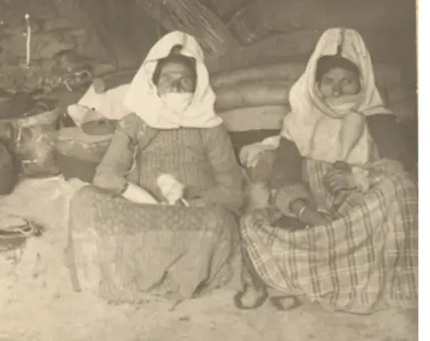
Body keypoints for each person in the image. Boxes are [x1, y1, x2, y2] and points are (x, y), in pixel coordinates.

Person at [235, 27, 418, 314]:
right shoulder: (298, 124)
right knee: (251, 224)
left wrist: (360, 177)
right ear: (315, 86)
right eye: (328, 82)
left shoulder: (379, 120)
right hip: (314, 218)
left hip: (362, 219)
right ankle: (327, 271)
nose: (336, 90)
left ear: (363, 83)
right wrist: (306, 212)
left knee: (404, 188)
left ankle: (330, 276)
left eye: (347, 81)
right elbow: (285, 178)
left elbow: (401, 169)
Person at [67, 31, 244, 303]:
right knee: (84, 200)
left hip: (190, 219)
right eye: (167, 79)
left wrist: (190, 202)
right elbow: (104, 175)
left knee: (220, 222)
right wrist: (135, 193)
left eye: (184, 80)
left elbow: (233, 193)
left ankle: (138, 275)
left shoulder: (211, 128)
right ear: (154, 84)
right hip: (139, 212)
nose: (176, 85)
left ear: (197, 85)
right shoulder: (135, 122)